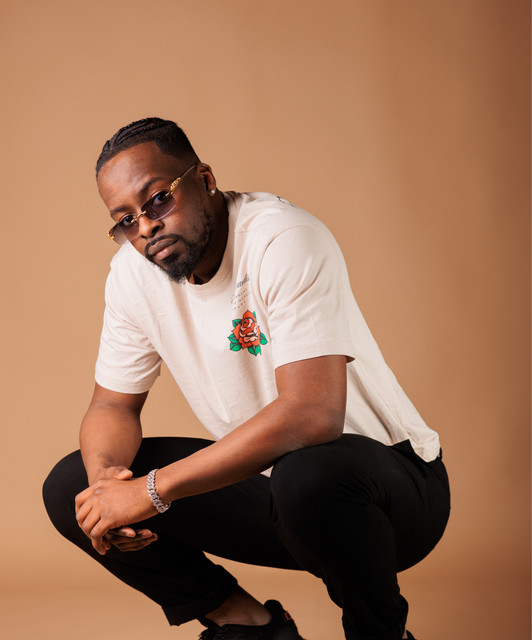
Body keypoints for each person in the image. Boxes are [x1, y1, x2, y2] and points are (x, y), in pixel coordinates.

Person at [43, 117, 450, 640]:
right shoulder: (132, 274)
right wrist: (108, 487)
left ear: (205, 179)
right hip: (275, 492)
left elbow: (312, 415)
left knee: (308, 472)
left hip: (390, 495)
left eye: (158, 200)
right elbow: (112, 407)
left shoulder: (283, 238)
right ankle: (255, 628)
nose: (144, 228)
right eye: (124, 219)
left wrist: (152, 490)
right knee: (75, 488)